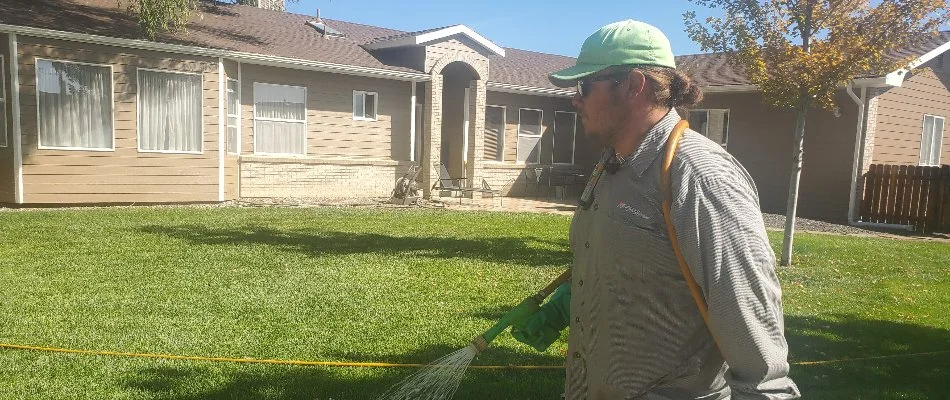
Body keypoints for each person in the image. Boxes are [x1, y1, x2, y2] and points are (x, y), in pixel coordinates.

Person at [510, 20, 801, 399]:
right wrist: (568, 303)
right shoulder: (611, 165)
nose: (574, 100)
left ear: (633, 85)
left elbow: (754, 335)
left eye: (584, 86)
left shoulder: (698, 175)